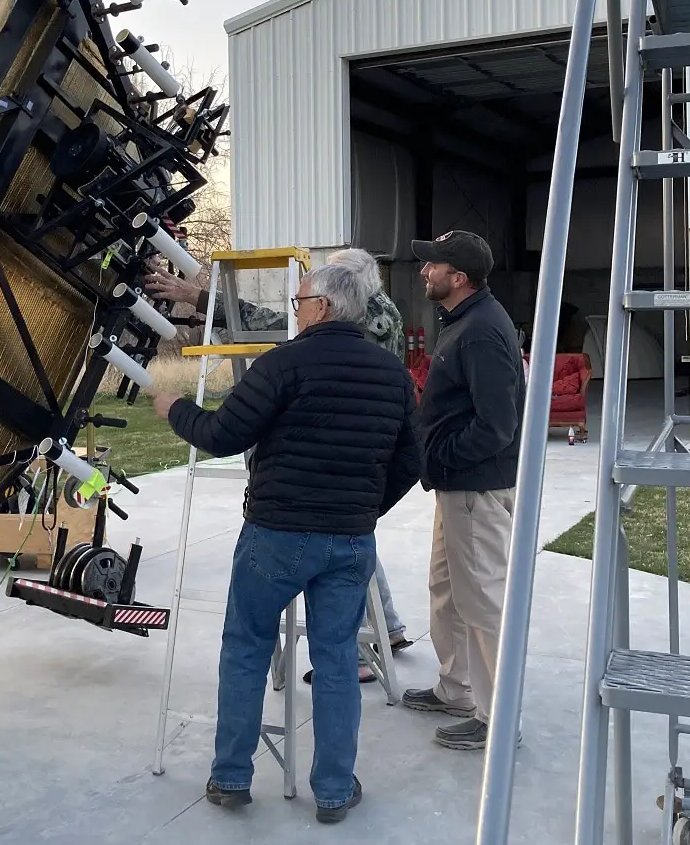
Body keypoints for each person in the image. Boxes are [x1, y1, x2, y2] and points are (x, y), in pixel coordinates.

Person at [150, 262, 421, 823]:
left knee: (246, 648)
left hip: (276, 535)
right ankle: (333, 789)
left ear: (322, 305)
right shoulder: (392, 374)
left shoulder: (284, 364)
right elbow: (409, 461)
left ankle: (230, 775)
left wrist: (173, 408)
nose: (295, 308)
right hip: (349, 543)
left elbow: (222, 435)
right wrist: (364, 509)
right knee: (338, 660)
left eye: (298, 299)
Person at [143, 249, 414, 681]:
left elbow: (262, 330)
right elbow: (409, 456)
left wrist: (198, 298)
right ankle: (389, 628)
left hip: (309, 493)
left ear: (336, 293)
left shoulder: (360, 321)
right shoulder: (378, 320)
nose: (301, 299)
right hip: (351, 488)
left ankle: (368, 646)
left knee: (252, 640)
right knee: (349, 552)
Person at [401, 230, 525, 751]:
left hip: (475, 490)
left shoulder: (479, 332)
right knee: (447, 593)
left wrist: (442, 456)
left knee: (483, 605)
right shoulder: (461, 322)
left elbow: (498, 425)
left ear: (460, 277)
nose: (424, 271)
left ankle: (497, 720)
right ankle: (456, 689)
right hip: (455, 491)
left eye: (434, 265)